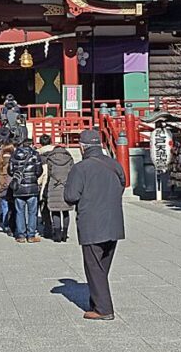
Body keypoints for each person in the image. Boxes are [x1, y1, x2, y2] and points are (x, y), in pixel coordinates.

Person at [64, 129, 126, 321]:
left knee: (94, 266)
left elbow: (71, 196)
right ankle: (97, 301)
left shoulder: (80, 168)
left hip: (92, 223)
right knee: (101, 267)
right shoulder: (114, 164)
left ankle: (104, 309)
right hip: (114, 222)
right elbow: (122, 184)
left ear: (82, 147)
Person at [38, 133, 75, 243]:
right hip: (66, 185)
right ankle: (64, 233)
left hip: (54, 186)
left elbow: (48, 173)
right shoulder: (69, 158)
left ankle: (57, 234)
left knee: (55, 211)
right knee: (65, 211)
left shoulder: (50, 159)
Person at [10, 137, 43, 243]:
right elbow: (39, 171)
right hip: (32, 187)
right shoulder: (35, 155)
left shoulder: (14, 154)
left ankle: (21, 235)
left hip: (19, 187)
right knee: (32, 212)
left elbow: (10, 171)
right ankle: (31, 235)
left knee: (19, 212)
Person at [0, 140, 16, 232]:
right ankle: (11, 224)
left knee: (5, 206)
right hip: (10, 186)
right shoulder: (13, 160)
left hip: (1, 185)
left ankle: (6, 224)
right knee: (13, 207)